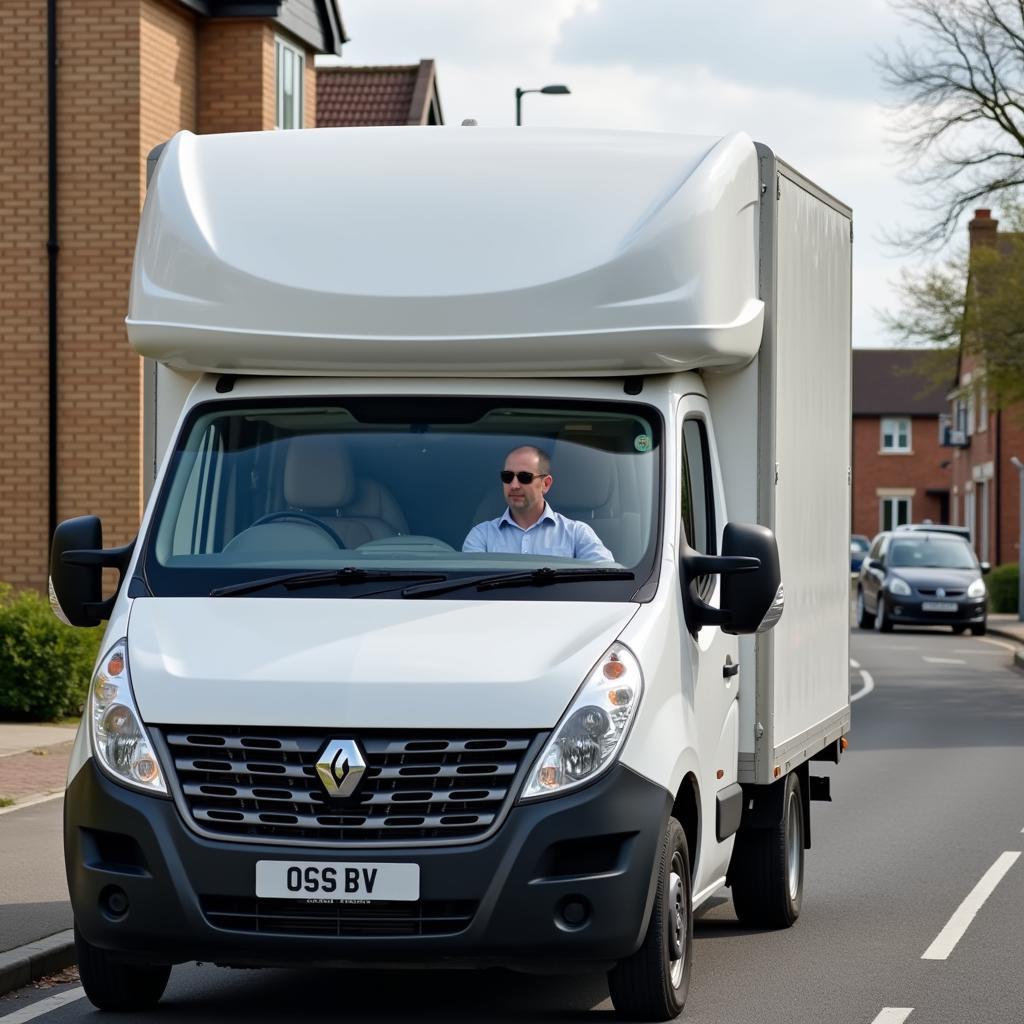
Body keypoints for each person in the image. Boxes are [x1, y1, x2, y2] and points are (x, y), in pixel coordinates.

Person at [462, 445, 613, 561]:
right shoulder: (481, 535)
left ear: (545, 484)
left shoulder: (577, 534)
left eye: (524, 477)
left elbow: (607, 580)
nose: (514, 485)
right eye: (507, 476)